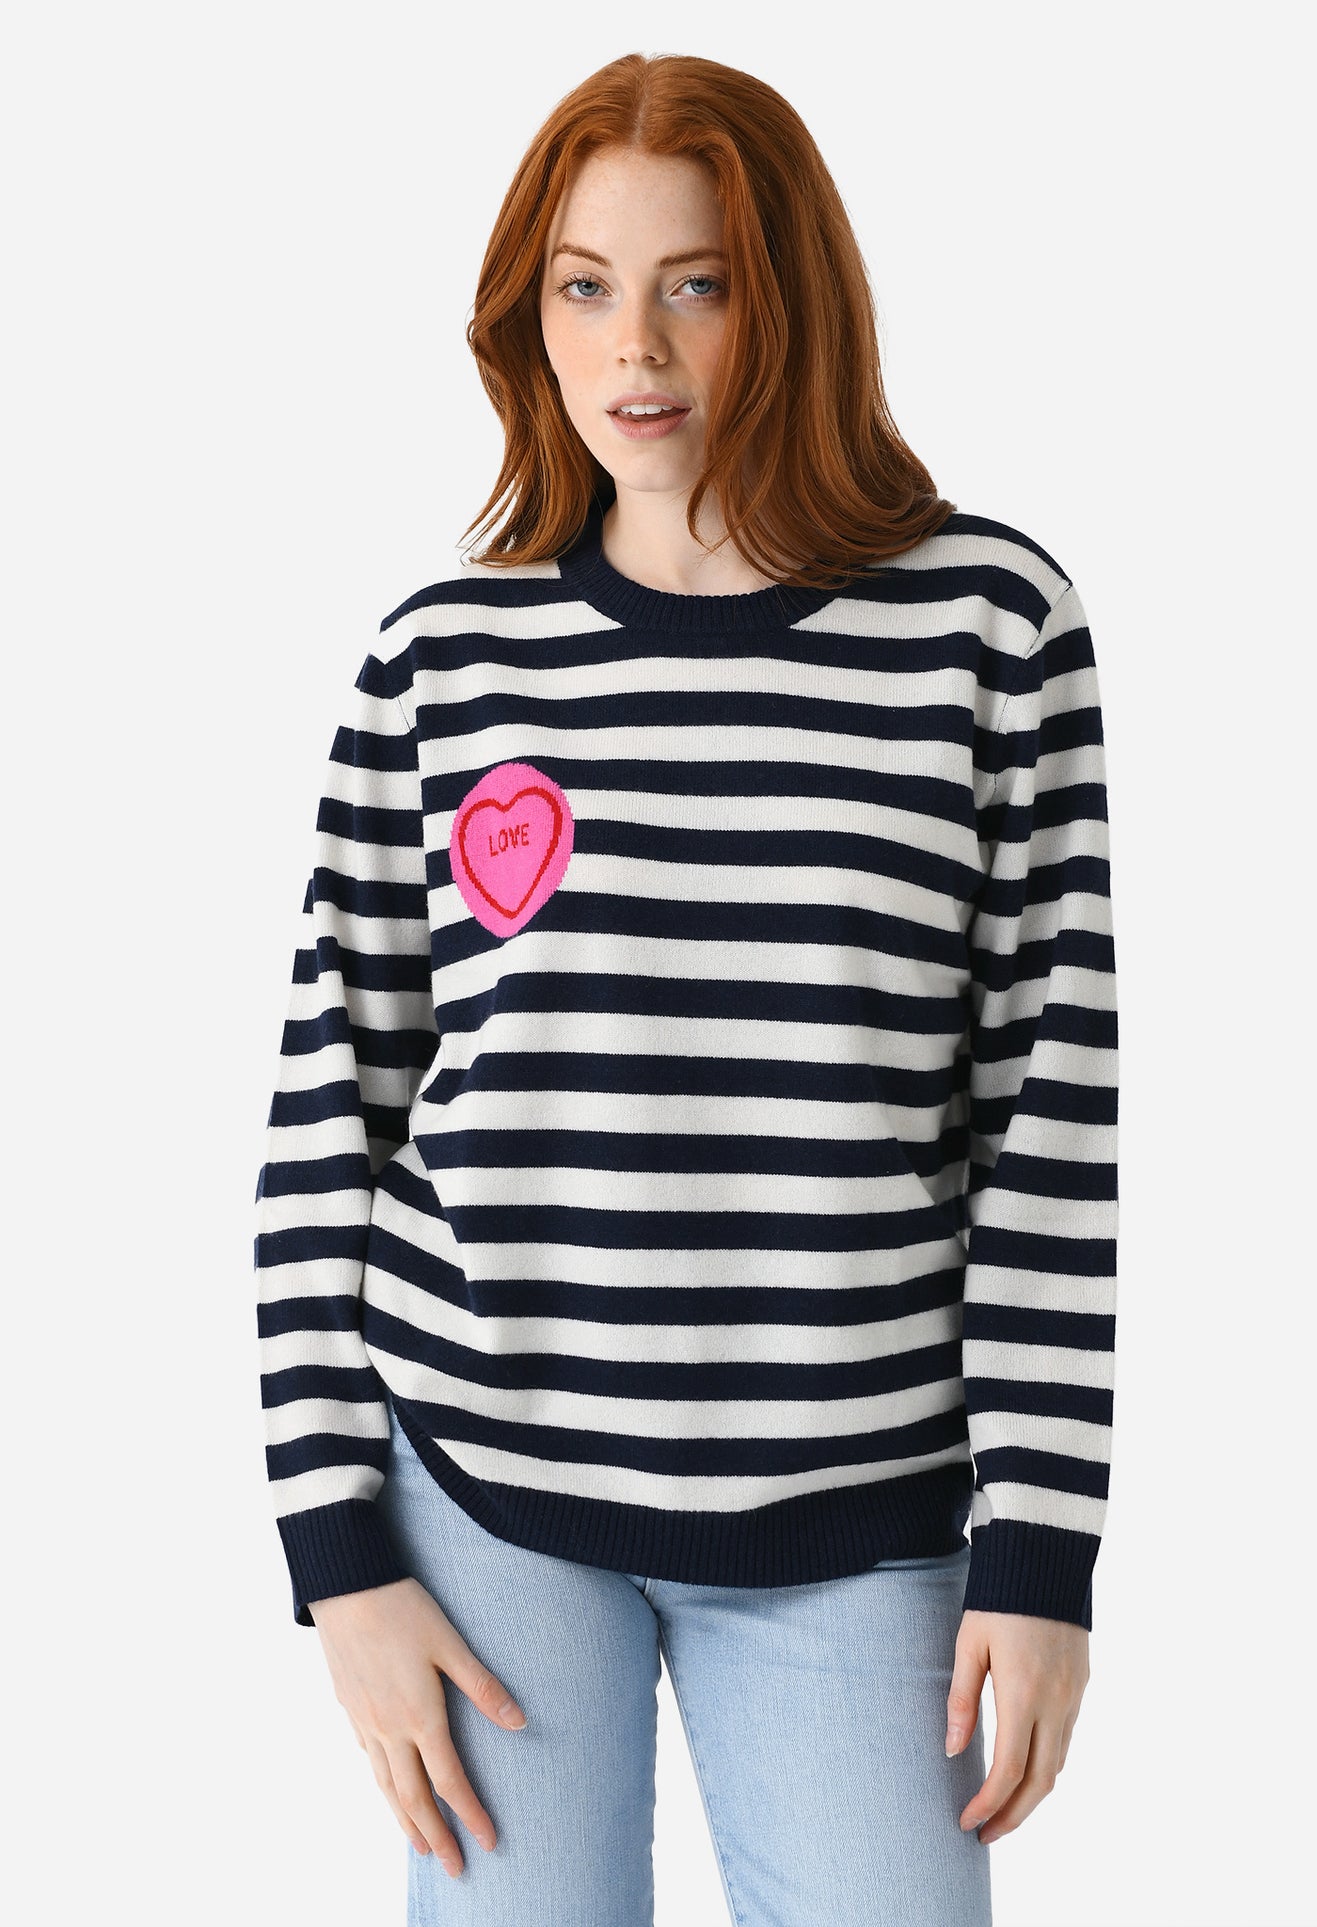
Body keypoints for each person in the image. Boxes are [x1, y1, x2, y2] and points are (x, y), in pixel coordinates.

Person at [253, 50, 1118, 1927]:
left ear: (789, 299)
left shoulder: (985, 630)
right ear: (529, 317)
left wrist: (1040, 1551)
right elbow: (334, 1111)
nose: (634, 345)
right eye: (583, 285)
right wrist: (337, 1554)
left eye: (696, 282)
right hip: (481, 1499)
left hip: (856, 1510)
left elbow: (1046, 1127)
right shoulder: (444, 659)